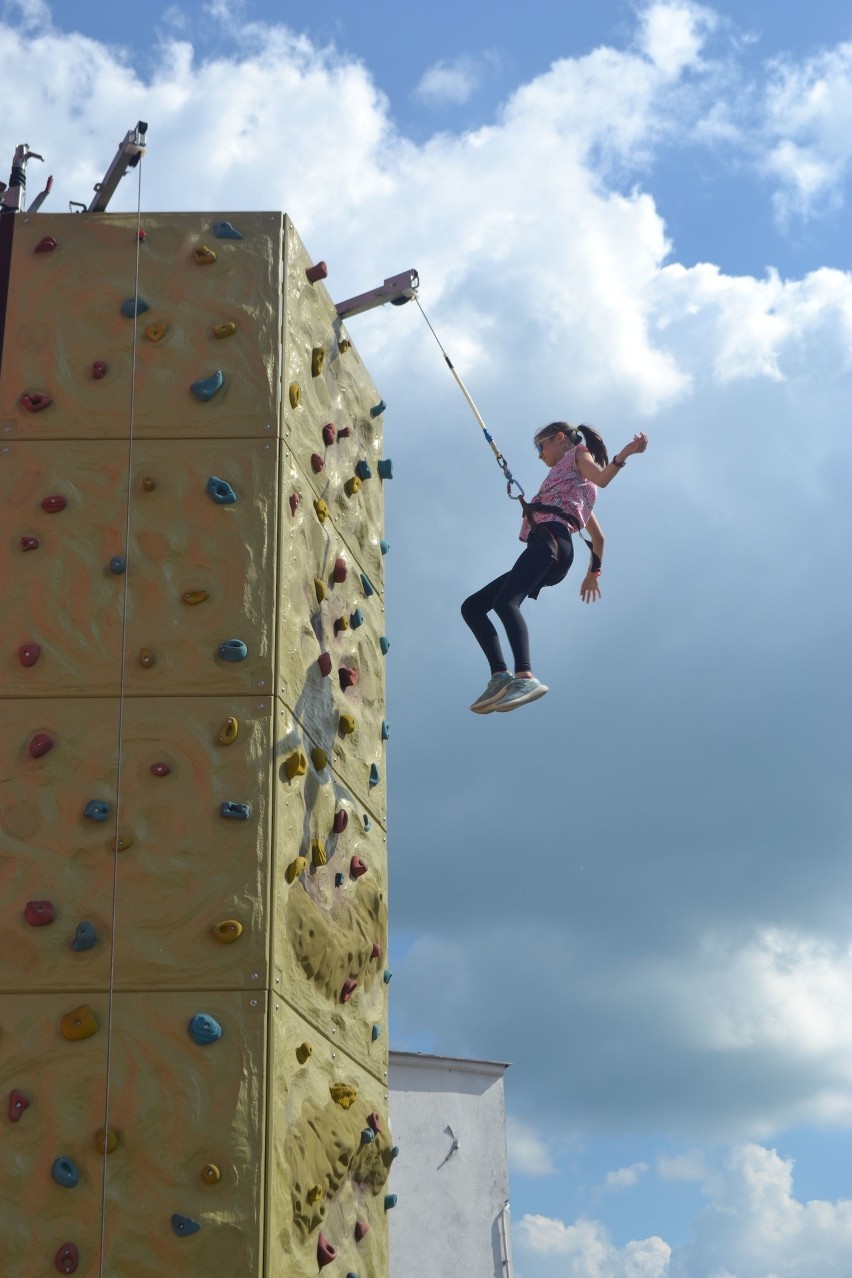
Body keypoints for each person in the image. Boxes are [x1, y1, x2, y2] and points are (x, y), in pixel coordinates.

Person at [461, 421, 648, 713]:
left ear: (559, 439)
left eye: (541, 446)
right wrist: (593, 574)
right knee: (473, 607)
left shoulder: (578, 455)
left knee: (506, 603)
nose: (539, 455)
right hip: (552, 550)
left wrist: (626, 453)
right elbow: (598, 538)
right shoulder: (575, 489)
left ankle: (524, 676)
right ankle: (500, 676)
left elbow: (602, 478)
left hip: (551, 542)